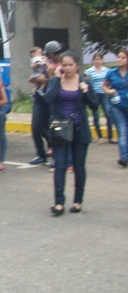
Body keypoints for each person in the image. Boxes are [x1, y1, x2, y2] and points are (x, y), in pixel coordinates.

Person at [43, 52, 97, 215]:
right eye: (64, 65)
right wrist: (57, 79)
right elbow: (48, 99)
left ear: (77, 66)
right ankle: (59, 203)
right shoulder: (55, 81)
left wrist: (86, 91)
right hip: (60, 130)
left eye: (70, 65)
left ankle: (77, 201)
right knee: (59, 165)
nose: (66, 68)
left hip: (80, 130)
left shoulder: (84, 82)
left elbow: (95, 105)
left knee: (79, 167)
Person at [28, 41, 63, 165]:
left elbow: (56, 80)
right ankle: (40, 154)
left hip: (54, 100)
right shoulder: (44, 64)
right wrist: (48, 76)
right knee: (35, 128)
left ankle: (55, 155)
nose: (48, 56)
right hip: (40, 97)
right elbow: (34, 78)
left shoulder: (63, 65)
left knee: (52, 129)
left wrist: (48, 76)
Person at [103, 49, 128, 167]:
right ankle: (123, 157)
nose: (120, 59)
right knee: (122, 131)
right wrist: (109, 91)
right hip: (116, 106)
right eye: (118, 57)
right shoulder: (111, 72)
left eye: (123, 57)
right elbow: (104, 86)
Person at [84, 53, 114, 144]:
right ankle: (100, 136)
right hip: (95, 94)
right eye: (96, 59)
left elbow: (110, 81)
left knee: (108, 114)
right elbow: (87, 83)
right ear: (93, 61)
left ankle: (110, 136)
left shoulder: (107, 70)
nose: (98, 61)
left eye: (99, 59)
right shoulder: (89, 71)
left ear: (102, 60)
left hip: (104, 94)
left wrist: (109, 90)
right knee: (95, 115)